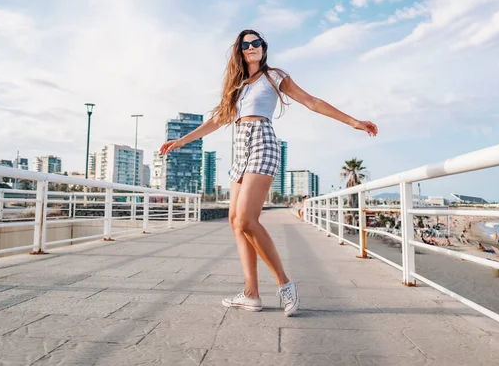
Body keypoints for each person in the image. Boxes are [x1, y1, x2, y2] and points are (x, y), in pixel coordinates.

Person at [159, 29, 378, 317]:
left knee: (248, 219)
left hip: (262, 141)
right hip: (240, 147)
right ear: (240, 51)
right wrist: (181, 140)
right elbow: (216, 120)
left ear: (264, 47)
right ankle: (251, 294)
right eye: (246, 44)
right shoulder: (236, 86)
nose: (252, 47)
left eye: (256, 43)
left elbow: (312, 101)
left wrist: (353, 121)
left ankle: (285, 285)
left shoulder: (275, 76)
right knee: (236, 222)